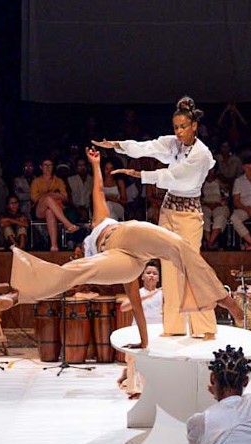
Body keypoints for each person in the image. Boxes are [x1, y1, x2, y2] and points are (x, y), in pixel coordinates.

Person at [11, 147, 244, 350]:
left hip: (124, 235)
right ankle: (15, 297)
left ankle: (224, 298)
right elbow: (136, 305)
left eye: (79, 248)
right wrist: (144, 341)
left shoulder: (97, 224)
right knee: (71, 272)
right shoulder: (102, 262)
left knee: (179, 245)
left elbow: (99, 192)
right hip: (119, 258)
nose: (79, 249)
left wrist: (96, 164)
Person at [95, 96, 218, 339]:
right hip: (168, 209)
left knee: (191, 266)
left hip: (190, 214)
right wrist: (118, 145)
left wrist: (139, 174)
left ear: (194, 126)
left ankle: (204, 326)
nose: (179, 132)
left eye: (183, 127)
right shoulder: (174, 144)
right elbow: (148, 146)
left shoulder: (201, 154)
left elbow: (176, 176)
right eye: (176, 127)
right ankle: (172, 326)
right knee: (169, 267)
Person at [117, 262, 163, 399]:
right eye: (148, 273)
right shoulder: (137, 293)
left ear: (158, 278)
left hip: (157, 331)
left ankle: (152, 387)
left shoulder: (163, 293)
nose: (151, 276)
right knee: (136, 359)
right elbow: (123, 307)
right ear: (142, 276)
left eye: (155, 274)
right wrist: (147, 296)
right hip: (138, 330)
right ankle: (136, 388)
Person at [30, 158, 80, 251]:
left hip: (56, 209)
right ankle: (67, 224)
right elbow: (34, 198)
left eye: (50, 165)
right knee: (48, 199)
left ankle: (54, 245)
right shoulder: (36, 181)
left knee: (50, 211)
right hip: (40, 209)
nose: (48, 168)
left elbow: (65, 197)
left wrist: (50, 195)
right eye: (45, 165)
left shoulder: (59, 181)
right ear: (41, 167)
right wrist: (51, 195)